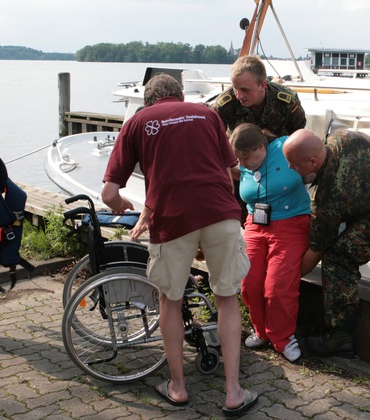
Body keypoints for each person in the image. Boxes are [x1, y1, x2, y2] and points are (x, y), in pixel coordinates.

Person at [101, 73, 258, 416]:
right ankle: (233, 392)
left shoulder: (137, 122)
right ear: (181, 94)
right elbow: (232, 168)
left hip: (172, 220)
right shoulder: (209, 114)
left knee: (169, 301)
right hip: (221, 214)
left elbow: (110, 193)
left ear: (148, 100)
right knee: (226, 299)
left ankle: (177, 388)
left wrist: (123, 207)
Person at [282, 129, 370, 358]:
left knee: (337, 258)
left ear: (312, 161)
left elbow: (318, 248)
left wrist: (288, 278)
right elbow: (366, 139)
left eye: (294, 164)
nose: (290, 168)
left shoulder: (328, 199)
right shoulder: (342, 137)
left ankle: (340, 336)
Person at [229, 123, 310, 363]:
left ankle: (283, 337)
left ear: (261, 147)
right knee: (249, 284)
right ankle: (262, 331)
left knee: (277, 288)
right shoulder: (243, 164)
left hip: (291, 223)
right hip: (256, 224)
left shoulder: (285, 147)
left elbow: (317, 155)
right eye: (238, 159)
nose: (241, 164)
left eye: (244, 157)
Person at [211, 55, 306, 136]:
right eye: (235, 88)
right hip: (240, 153)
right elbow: (214, 138)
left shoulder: (287, 101)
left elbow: (297, 136)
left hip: (277, 151)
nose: (239, 96)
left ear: (263, 85)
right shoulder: (225, 104)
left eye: (245, 90)